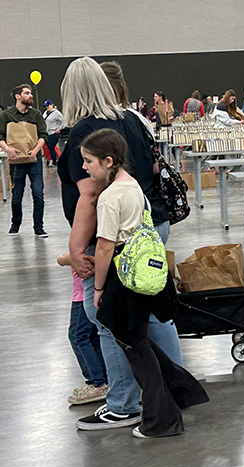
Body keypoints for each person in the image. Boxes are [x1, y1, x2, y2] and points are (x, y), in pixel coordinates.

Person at [57, 56, 183, 431]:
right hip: (151, 227)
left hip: (114, 238)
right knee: (157, 314)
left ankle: (123, 403)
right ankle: (173, 388)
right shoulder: (132, 119)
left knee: (109, 320)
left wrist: (78, 248)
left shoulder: (85, 133)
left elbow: (90, 196)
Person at [83, 128, 208, 438]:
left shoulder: (110, 198)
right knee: (139, 342)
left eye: (88, 161)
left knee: (136, 348)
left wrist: (98, 289)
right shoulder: (133, 186)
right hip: (142, 273)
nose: (84, 167)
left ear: (108, 161)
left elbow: (105, 246)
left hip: (122, 277)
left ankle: (163, 419)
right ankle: (182, 390)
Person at [58, 253, 108, 405]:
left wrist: (68, 258)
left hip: (82, 296)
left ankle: (97, 382)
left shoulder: (85, 245)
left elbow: (65, 259)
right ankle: (104, 379)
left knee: (78, 336)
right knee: (93, 337)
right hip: (92, 294)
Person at [0, 84, 48, 237]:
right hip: (16, 161)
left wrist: (35, 151)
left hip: (34, 160)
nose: (30, 96)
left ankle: (39, 227)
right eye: (27, 93)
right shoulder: (6, 115)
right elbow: (0, 136)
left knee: (38, 193)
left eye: (30, 93)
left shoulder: (36, 115)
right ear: (17, 96)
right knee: (17, 195)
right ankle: (15, 225)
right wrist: (8, 150)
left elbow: (43, 135)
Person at [43, 100, 65, 166]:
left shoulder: (57, 113)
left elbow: (63, 121)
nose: (47, 107)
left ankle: (54, 162)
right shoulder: (45, 113)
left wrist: (59, 129)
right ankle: (50, 160)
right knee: (48, 148)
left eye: (48, 105)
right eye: (46, 106)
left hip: (53, 132)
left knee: (51, 147)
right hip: (47, 133)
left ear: (52, 105)